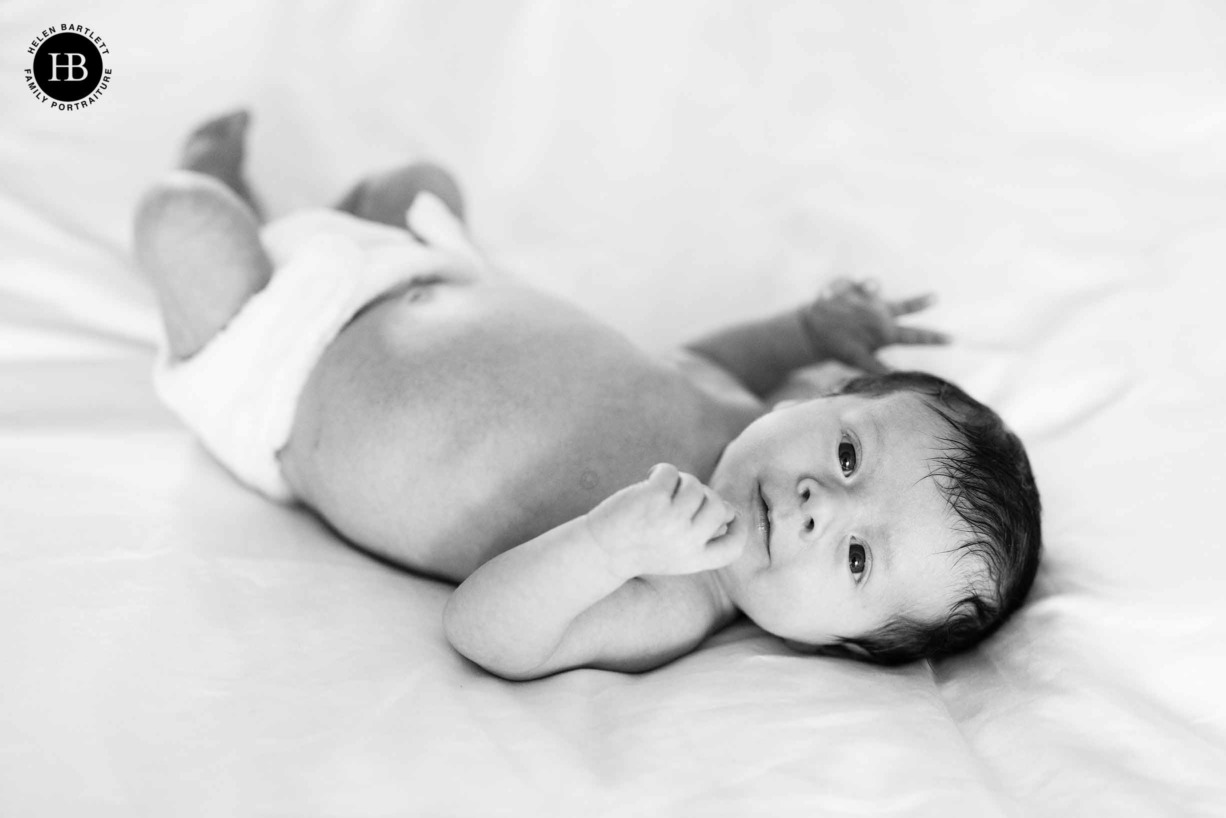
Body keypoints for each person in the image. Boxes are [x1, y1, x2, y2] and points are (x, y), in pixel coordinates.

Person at [135, 110, 1042, 681]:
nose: (817, 507)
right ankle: (339, 219)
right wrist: (803, 329)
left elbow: (485, 629)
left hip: (287, 375)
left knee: (182, 219)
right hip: (422, 274)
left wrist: (607, 544)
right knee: (423, 187)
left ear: (838, 645)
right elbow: (694, 357)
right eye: (848, 454)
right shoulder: (732, 413)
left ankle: (227, 187)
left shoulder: (669, 597)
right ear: (823, 396)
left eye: (855, 561)